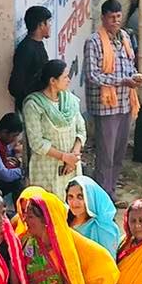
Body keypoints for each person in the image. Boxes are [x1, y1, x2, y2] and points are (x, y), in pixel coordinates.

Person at [82, 0, 142, 195]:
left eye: (118, 17)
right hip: (106, 106)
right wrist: (123, 81)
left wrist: (134, 77)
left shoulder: (124, 36)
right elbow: (92, 75)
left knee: (118, 153)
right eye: (112, 17)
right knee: (105, 155)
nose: (116, 21)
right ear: (103, 18)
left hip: (125, 103)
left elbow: (129, 64)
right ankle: (102, 196)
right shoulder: (94, 41)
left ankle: (111, 191)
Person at [21, 61, 87, 198]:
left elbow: (81, 130)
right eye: (65, 77)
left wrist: (73, 157)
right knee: (48, 210)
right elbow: (37, 143)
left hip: (71, 167)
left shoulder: (71, 101)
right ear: (52, 81)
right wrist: (64, 157)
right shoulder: (33, 105)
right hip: (46, 169)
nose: (69, 80)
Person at [10, 6, 52, 112]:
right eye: (48, 22)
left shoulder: (38, 44)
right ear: (41, 25)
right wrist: (33, 100)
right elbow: (15, 86)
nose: (50, 25)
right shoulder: (26, 49)